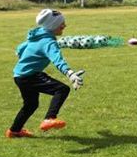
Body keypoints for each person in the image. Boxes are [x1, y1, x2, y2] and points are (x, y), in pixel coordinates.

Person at [6, 9, 83, 138]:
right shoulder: (48, 42)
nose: (64, 25)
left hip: (19, 75)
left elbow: (20, 48)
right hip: (29, 76)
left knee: (31, 105)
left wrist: (24, 57)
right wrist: (70, 74)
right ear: (53, 25)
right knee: (62, 89)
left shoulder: (38, 35)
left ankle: (14, 131)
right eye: (62, 23)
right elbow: (57, 60)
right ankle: (49, 118)